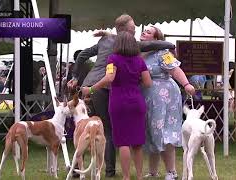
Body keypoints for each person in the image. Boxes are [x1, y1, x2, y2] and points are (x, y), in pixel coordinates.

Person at [67, 14, 176, 177]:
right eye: (133, 28)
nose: (136, 30)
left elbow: (89, 59)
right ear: (127, 31)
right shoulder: (138, 57)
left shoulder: (107, 45)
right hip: (134, 100)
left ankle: (103, 170)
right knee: (136, 142)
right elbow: (148, 81)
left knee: (105, 131)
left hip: (108, 93)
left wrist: (85, 85)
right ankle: (135, 175)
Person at [82, 31, 152, 180]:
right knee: (138, 142)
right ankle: (139, 176)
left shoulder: (112, 58)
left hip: (119, 102)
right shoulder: (140, 60)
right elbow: (148, 82)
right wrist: (134, 81)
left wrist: (91, 88)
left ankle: (126, 177)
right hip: (137, 102)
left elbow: (109, 78)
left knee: (123, 141)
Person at [139, 26, 195, 180]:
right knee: (151, 132)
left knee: (164, 133)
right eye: (143, 31)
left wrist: (186, 84)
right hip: (146, 96)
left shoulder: (163, 53)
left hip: (165, 97)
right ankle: (153, 171)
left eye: (149, 32)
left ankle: (171, 172)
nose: (144, 33)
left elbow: (175, 70)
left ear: (156, 39)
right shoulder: (138, 53)